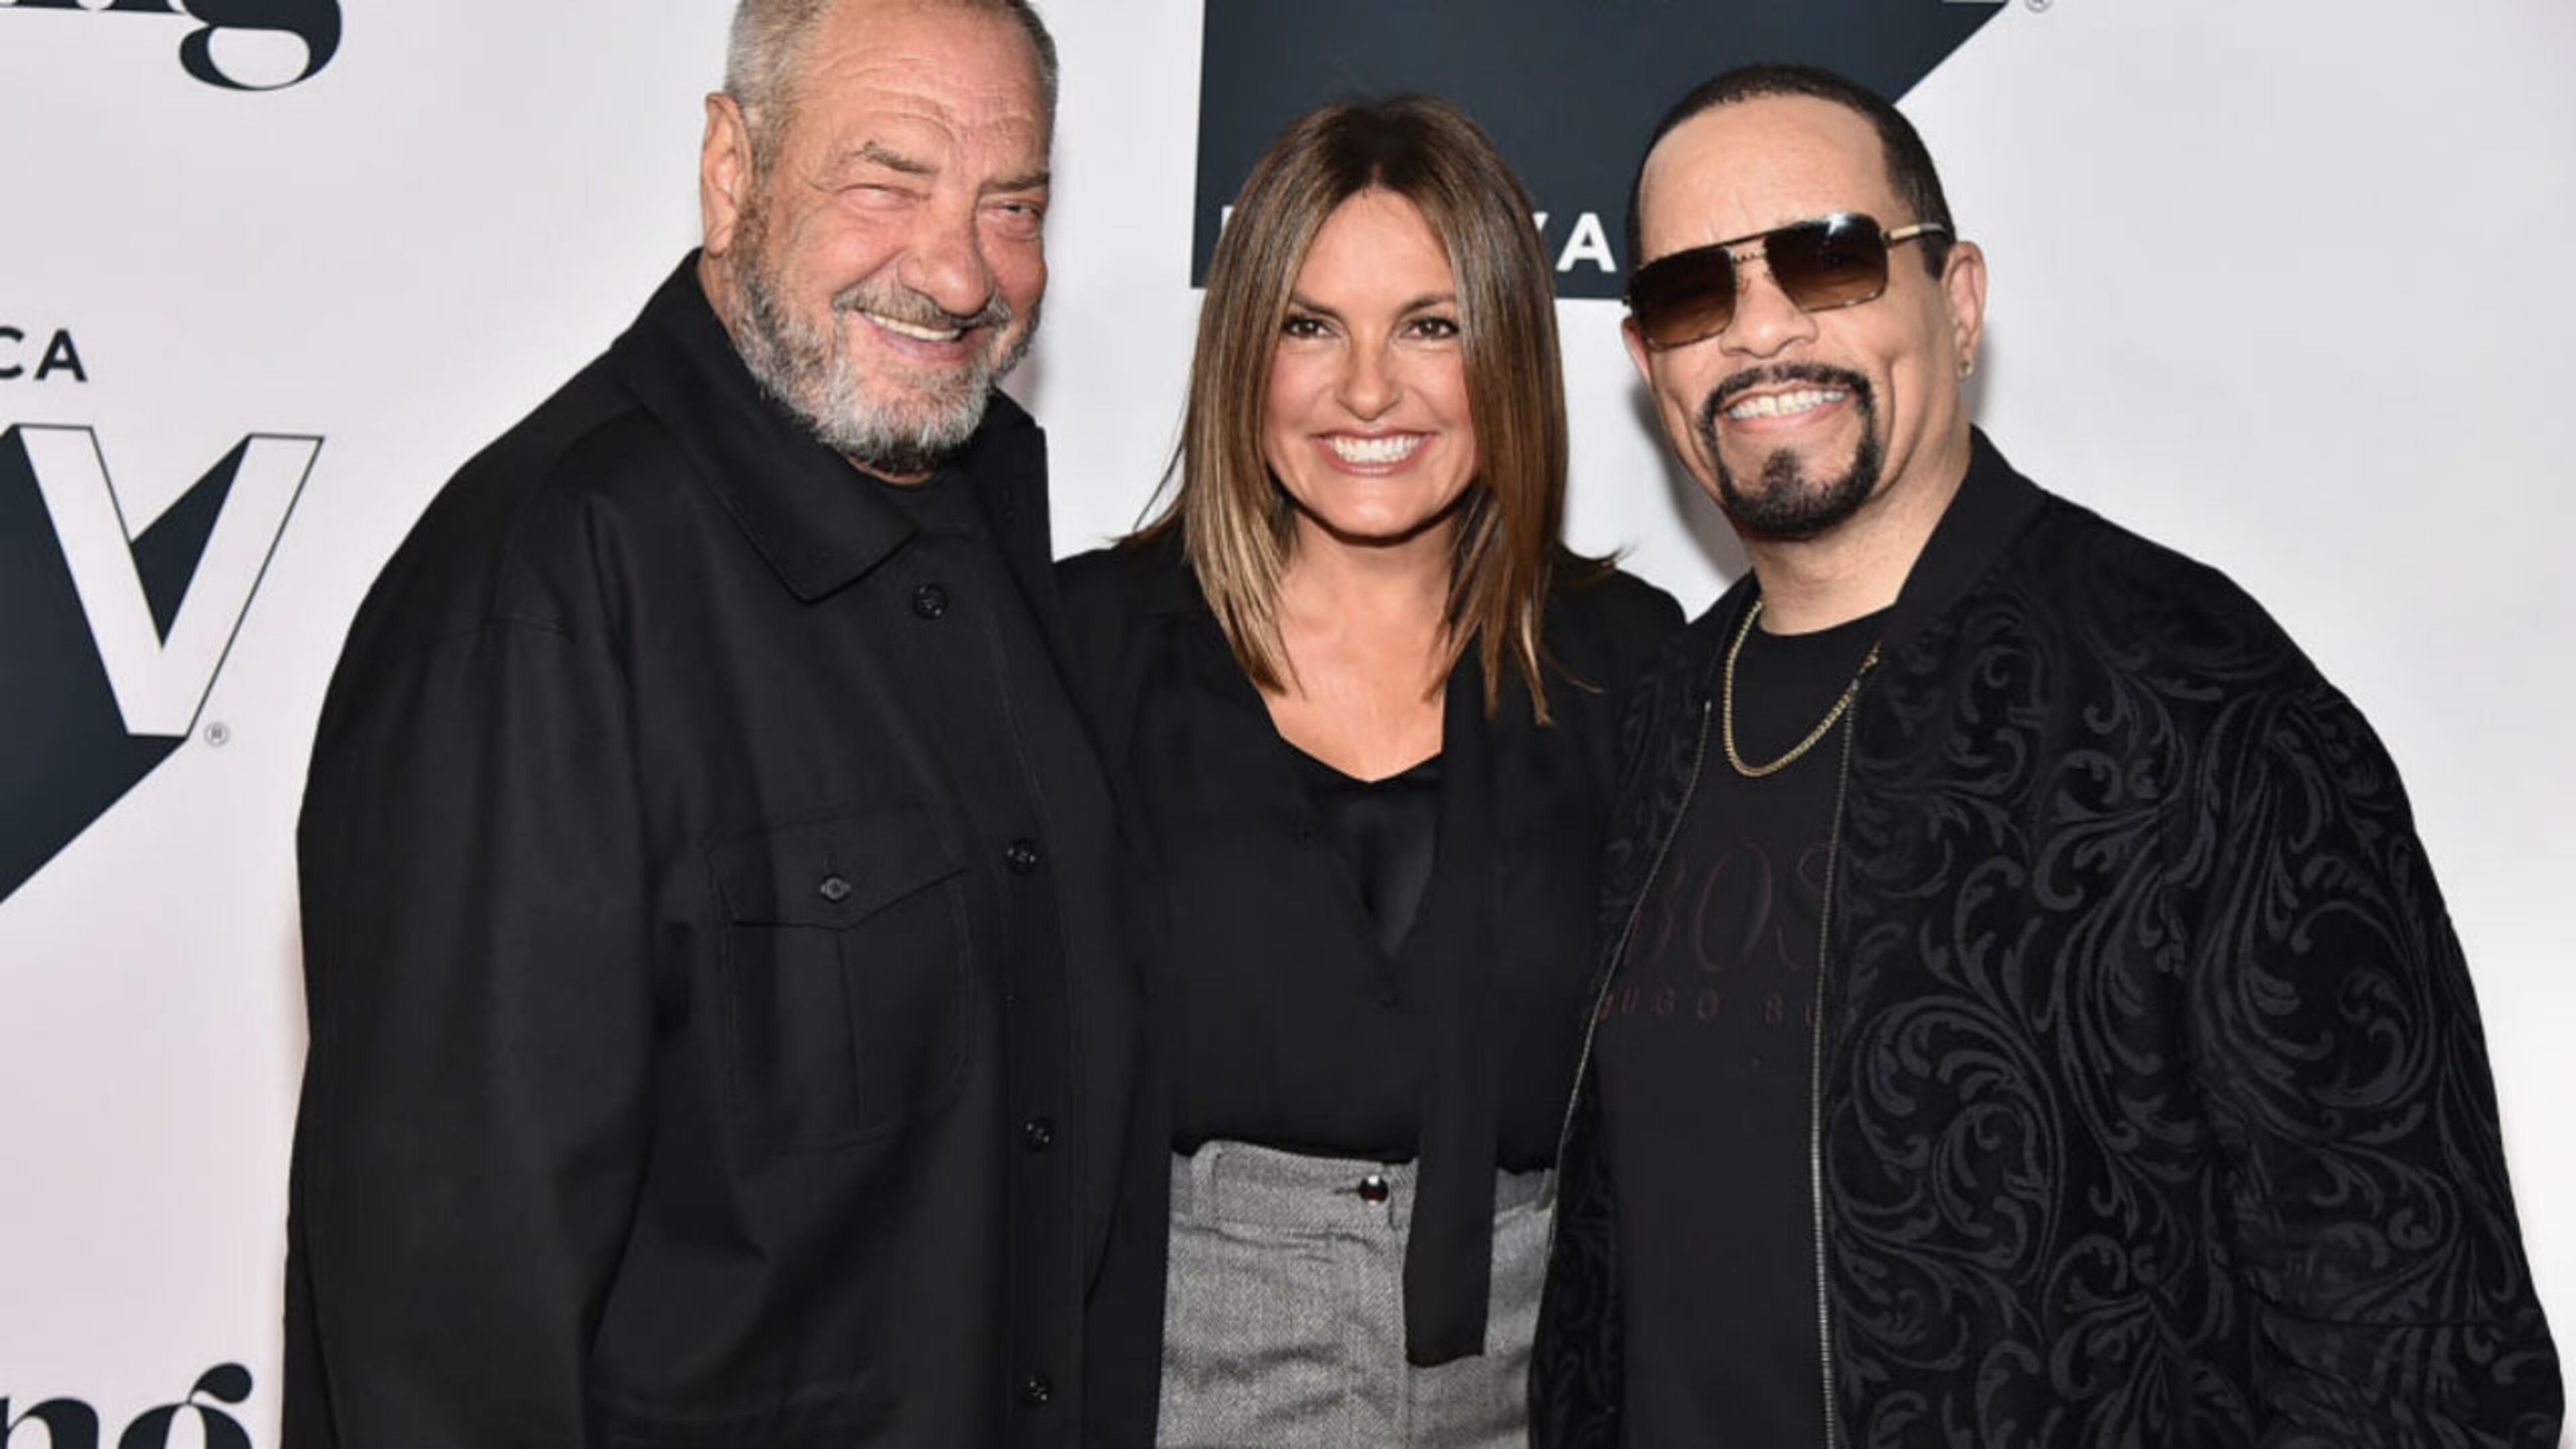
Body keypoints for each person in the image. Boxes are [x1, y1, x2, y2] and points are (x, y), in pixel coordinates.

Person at [1532, 62, 2563, 1447]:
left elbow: (2430, 1367)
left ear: (1956, 302)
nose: (1762, 329)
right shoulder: (1663, 711)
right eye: (1691, 292)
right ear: (1651, 359)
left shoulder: (2197, 699)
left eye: (1828, 259)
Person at [281, 2, 1136, 1444]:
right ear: (732, 170)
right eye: (888, 179)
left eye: (1013, 204)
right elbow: (445, 1331)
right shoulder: (545, 595)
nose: (957, 268)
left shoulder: (985, 528)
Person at [1059, 97, 1680, 1448]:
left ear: (1507, 350)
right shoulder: (1088, 651)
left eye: (1431, 325)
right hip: (1169, 1375)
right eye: (1310, 325)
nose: (1366, 392)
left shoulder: (1627, 666)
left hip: (1528, 1383)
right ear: (1245, 355)